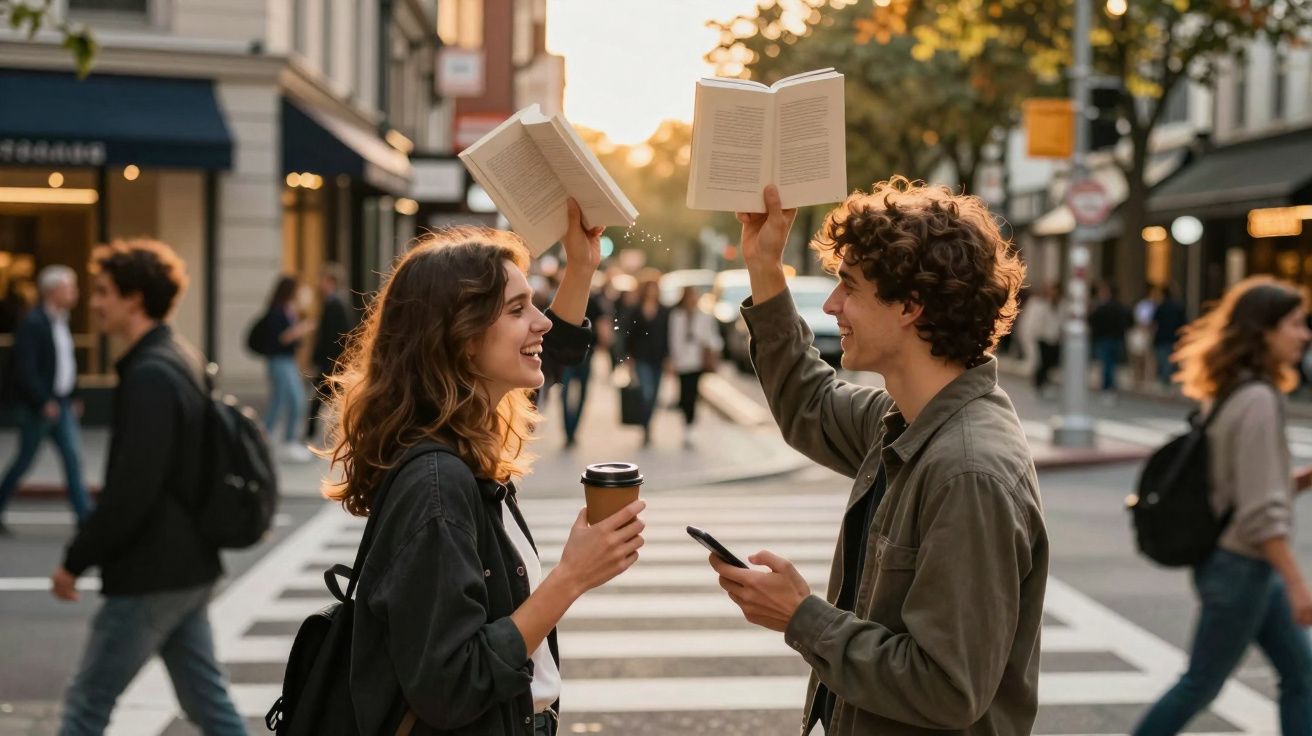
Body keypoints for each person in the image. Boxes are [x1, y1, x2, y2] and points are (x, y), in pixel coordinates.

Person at [709, 181, 1046, 736]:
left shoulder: (968, 472)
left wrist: (802, 617)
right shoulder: (909, 418)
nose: (832, 305)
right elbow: (809, 403)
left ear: (910, 307)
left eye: (850, 287)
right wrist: (763, 263)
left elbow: (948, 688)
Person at [326, 201, 645, 736]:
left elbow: (553, 351)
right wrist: (571, 578)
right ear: (460, 337)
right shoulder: (437, 485)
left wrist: (581, 265)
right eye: (518, 309)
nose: (540, 321)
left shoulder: (459, 445)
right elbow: (451, 684)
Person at [52, 239, 245, 736]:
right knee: (209, 703)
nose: (93, 303)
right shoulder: (179, 355)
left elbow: (130, 491)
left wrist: (75, 560)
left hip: (152, 570)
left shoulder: (152, 374)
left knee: (86, 704)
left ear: (134, 299)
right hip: (188, 563)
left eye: (103, 292)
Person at [1133, 276, 1312, 735]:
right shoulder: (1256, 399)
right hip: (1242, 567)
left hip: (1238, 564)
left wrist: (1300, 480)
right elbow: (1257, 513)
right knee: (1201, 684)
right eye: (1295, 323)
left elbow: (1237, 488)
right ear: (1263, 331)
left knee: (1302, 677)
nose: (1305, 334)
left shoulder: (1234, 390)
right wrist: (1298, 584)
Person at [0, 265, 90, 533]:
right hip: (40, 407)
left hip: (60, 403)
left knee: (73, 458)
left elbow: (65, 365)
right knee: (25, 460)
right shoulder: (34, 322)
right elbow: (26, 369)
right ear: (53, 291)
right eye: (69, 288)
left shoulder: (61, 321)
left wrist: (73, 395)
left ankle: (85, 517)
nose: (74, 293)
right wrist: (42, 401)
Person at [258, 275, 315, 461]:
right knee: (288, 400)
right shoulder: (277, 311)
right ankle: (278, 441)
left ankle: (271, 440)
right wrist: (301, 329)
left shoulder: (289, 310)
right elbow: (281, 338)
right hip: (279, 361)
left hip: (287, 361)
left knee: (285, 401)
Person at [668, 285, 722, 449]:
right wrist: (672, 360)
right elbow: (672, 339)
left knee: (692, 393)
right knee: (684, 394)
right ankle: (686, 420)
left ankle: (689, 427)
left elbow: (714, 339)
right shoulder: (676, 316)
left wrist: (707, 344)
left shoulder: (704, 317)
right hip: (681, 362)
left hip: (698, 362)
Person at [304, 263, 353, 444]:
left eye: (322, 279)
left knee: (324, 399)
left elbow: (337, 337)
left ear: (331, 281)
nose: (319, 283)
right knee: (330, 400)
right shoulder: (331, 302)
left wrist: (332, 362)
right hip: (332, 362)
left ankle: (311, 436)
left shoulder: (336, 304)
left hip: (333, 363)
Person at [618, 278, 670, 446]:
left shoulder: (664, 310)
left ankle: (648, 425)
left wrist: (669, 357)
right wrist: (628, 357)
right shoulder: (636, 310)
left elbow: (668, 335)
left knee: (654, 396)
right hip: (641, 357)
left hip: (659, 358)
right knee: (646, 393)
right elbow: (628, 334)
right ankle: (645, 426)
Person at [559, 289, 604, 447]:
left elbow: (600, 327)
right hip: (565, 357)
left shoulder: (594, 302)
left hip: (586, 356)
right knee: (565, 395)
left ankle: (573, 431)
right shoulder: (564, 299)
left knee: (581, 395)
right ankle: (568, 430)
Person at [1088, 282, 1133, 395]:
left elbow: (1093, 321)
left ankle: (1107, 386)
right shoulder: (1121, 307)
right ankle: (1110, 385)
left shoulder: (1102, 308)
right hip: (1116, 338)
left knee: (1107, 363)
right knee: (1111, 363)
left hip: (1105, 339)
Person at [1028, 282, 1064, 397]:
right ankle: (1038, 384)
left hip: (1054, 338)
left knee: (1050, 363)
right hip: (1042, 338)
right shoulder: (1040, 303)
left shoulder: (1061, 304)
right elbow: (1035, 321)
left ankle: (1044, 382)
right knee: (1042, 363)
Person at [1154, 286, 1188, 387]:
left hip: (1162, 337)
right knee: (1169, 360)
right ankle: (1167, 380)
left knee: (1164, 360)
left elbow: (1154, 323)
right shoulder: (1178, 307)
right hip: (1173, 337)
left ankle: (1166, 380)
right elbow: (1184, 323)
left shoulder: (1161, 306)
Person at [1130, 284, 1160, 388]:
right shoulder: (1143, 305)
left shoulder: (1155, 305)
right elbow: (1141, 320)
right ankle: (1138, 378)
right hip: (1144, 333)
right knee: (1139, 356)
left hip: (1151, 333)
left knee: (1150, 357)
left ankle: (1148, 379)